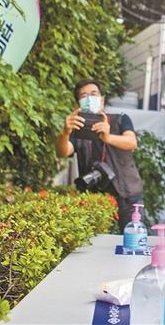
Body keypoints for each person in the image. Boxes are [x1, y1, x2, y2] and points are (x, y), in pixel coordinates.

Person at [55, 78, 143, 230]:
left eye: (94, 94)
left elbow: (131, 142)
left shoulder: (120, 119)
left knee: (132, 238)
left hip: (128, 195)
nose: (89, 98)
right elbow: (63, 151)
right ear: (78, 103)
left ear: (102, 99)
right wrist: (65, 132)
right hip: (95, 199)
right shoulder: (76, 127)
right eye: (84, 96)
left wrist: (108, 137)